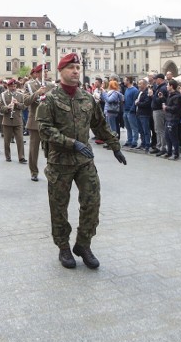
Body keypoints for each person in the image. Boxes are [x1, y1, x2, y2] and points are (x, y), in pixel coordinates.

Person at [37, 53, 126, 269]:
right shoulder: (50, 99)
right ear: (61, 71)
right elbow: (44, 129)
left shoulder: (87, 98)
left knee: (92, 203)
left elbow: (100, 124)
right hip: (60, 162)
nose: (76, 71)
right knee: (59, 207)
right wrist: (71, 143)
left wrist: (115, 146)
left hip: (84, 161)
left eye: (78, 67)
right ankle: (64, 247)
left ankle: (83, 244)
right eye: (71, 67)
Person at [23, 65, 53, 181]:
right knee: (34, 149)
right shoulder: (29, 85)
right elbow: (26, 101)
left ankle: (51, 170)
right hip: (35, 120)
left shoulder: (50, 85)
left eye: (46, 72)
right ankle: (34, 171)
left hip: (48, 121)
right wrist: (37, 93)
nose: (46, 74)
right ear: (37, 73)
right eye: (43, 72)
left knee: (50, 148)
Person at [0, 79, 26, 163]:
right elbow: (0, 108)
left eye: (14, 86)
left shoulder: (20, 95)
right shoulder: (3, 95)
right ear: (8, 86)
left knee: (20, 140)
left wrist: (17, 103)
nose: (13, 88)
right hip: (7, 120)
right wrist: (7, 107)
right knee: (7, 140)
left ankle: (21, 157)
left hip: (18, 120)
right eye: (11, 86)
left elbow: (24, 107)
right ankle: (8, 156)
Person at [159, 80, 181, 160]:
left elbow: (175, 108)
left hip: (173, 119)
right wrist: (163, 98)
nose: (166, 87)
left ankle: (175, 153)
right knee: (167, 136)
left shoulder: (177, 96)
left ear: (171, 86)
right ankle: (169, 152)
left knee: (173, 137)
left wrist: (166, 108)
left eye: (168, 85)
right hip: (168, 118)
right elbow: (169, 103)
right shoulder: (171, 95)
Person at [135, 78, 153, 152]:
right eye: (138, 83)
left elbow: (147, 103)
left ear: (145, 84)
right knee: (141, 130)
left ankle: (147, 145)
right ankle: (143, 143)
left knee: (146, 130)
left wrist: (138, 103)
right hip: (139, 113)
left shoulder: (146, 93)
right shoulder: (140, 92)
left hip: (145, 114)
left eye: (140, 84)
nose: (139, 85)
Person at [122, 77, 139, 149]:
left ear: (128, 81)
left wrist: (132, 110)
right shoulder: (126, 89)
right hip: (125, 110)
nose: (124, 82)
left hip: (131, 111)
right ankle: (129, 140)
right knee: (128, 127)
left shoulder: (134, 90)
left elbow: (134, 101)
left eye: (125, 80)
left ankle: (134, 141)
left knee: (134, 127)